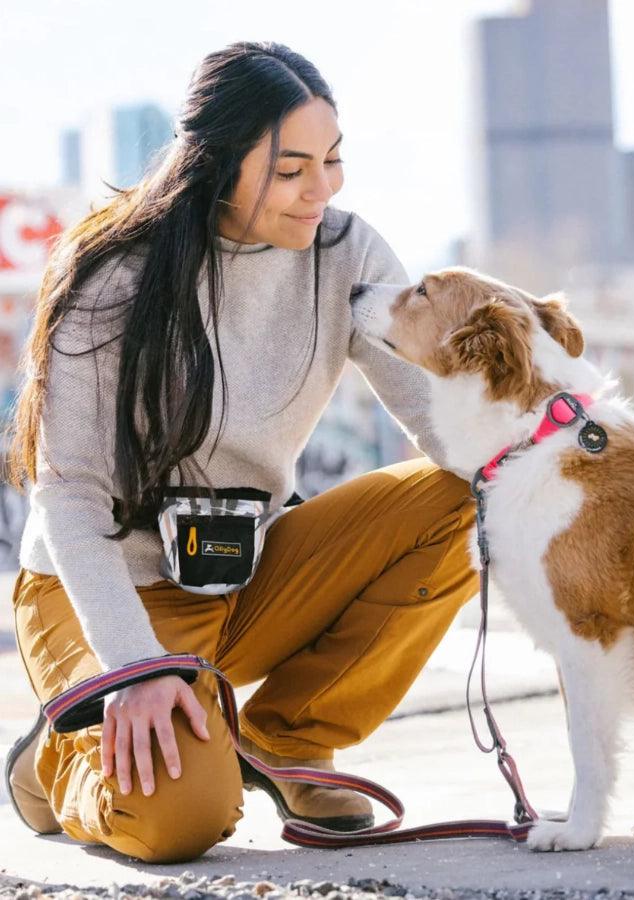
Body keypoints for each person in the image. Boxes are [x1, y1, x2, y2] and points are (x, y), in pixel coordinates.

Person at [3, 41, 478, 864]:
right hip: (104, 592)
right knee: (178, 821)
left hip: (243, 575)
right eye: (292, 168)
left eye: (332, 161)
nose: (321, 190)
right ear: (217, 163)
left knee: (478, 489)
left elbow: (440, 418)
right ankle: (56, 762)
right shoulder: (111, 277)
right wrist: (134, 668)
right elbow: (68, 495)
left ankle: (293, 741)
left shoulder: (347, 253)